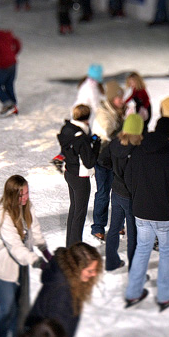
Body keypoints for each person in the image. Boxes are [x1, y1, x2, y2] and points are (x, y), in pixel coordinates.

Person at [123, 115, 169, 311]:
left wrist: (138, 198)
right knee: (167, 252)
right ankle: (164, 296)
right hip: (166, 215)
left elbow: (128, 179)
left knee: (142, 249)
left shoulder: (137, 153)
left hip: (141, 213)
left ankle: (133, 293)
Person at [0, 175, 50, 337]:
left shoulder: (27, 207)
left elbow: (34, 230)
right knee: (8, 307)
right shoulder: (2, 216)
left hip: (18, 265)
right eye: (21, 195)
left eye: (27, 193)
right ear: (12, 195)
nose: (25, 198)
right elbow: (16, 247)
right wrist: (39, 262)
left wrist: (45, 251)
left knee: (21, 308)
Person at [99, 113, 144, 271]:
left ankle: (111, 263)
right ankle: (134, 271)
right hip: (131, 197)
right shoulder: (138, 150)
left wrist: (115, 170)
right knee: (133, 235)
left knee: (114, 228)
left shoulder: (114, 143)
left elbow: (102, 160)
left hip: (116, 192)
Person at [57, 105, 100, 246]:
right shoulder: (81, 136)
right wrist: (96, 146)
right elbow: (89, 162)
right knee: (79, 215)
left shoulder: (66, 128)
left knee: (74, 210)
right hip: (81, 177)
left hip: (69, 173)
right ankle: (75, 248)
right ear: (87, 118)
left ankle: (70, 244)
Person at [89, 81, 124, 240]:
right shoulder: (103, 113)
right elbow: (109, 134)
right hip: (103, 159)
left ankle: (118, 225)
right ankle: (98, 226)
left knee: (119, 194)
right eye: (118, 98)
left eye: (121, 97)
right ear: (111, 98)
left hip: (116, 158)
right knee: (103, 194)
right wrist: (127, 125)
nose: (121, 101)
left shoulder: (118, 110)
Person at [0, 20, 21, 115]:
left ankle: (7, 102)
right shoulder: (6, 35)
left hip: (3, 65)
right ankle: (14, 107)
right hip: (13, 63)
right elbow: (17, 42)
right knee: (8, 84)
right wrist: (13, 54)